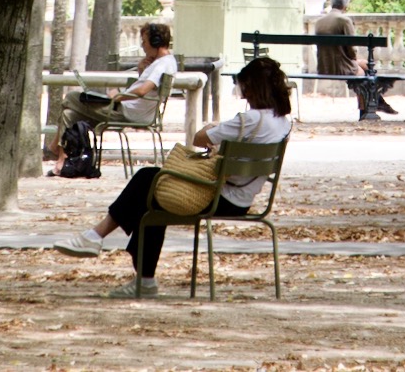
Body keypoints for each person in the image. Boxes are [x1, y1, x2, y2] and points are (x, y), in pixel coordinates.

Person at [54, 56, 294, 298]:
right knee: (150, 190)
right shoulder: (283, 123)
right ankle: (111, 251)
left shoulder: (248, 120)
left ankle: (105, 245)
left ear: (253, 88)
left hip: (217, 196)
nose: (243, 95)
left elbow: (198, 139)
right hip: (242, 200)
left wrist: (212, 126)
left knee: (150, 183)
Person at [47, 23, 177, 174]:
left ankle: (55, 148)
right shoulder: (164, 63)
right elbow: (148, 91)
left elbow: (142, 91)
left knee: (71, 97)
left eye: (144, 41)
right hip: (129, 110)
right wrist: (142, 70)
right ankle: (61, 160)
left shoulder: (162, 64)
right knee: (68, 115)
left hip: (126, 113)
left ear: (155, 42)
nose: (143, 46)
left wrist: (117, 97)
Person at [314, 0, 393, 119]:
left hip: (324, 66)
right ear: (345, 5)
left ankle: (378, 102)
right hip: (340, 67)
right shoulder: (344, 21)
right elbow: (351, 49)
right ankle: (367, 111)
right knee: (363, 75)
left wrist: (354, 60)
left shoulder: (319, 21)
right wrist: (354, 59)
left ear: (332, 3)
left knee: (367, 66)